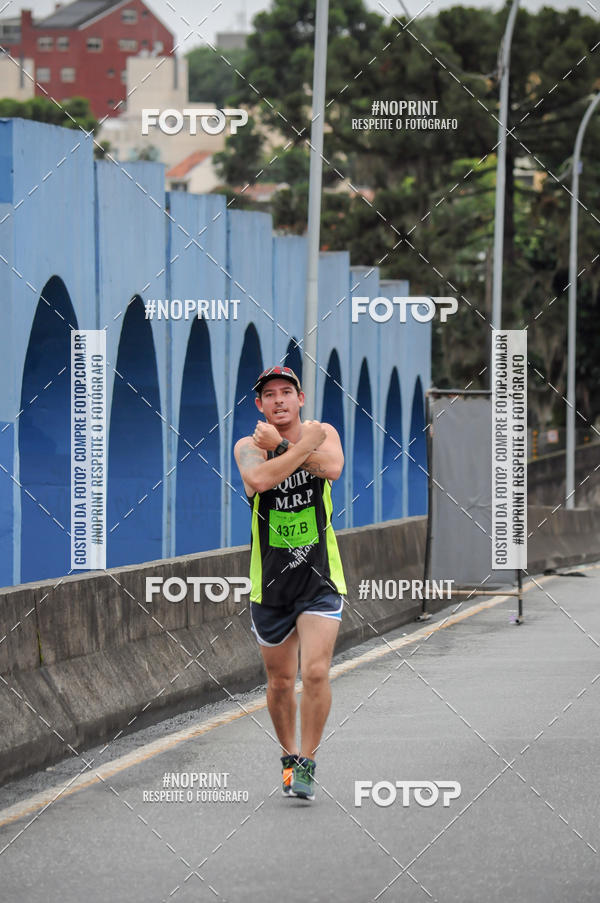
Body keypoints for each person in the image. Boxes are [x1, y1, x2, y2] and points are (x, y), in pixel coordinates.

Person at [234, 365, 347, 801]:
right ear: (259, 405)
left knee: (316, 672)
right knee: (281, 681)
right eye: (270, 394)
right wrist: (296, 447)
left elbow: (333, 468)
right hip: (271, 583)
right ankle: (288, 758)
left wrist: (284, 444)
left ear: (301, 399)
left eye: (287, 392)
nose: (279, 399)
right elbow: (259, 479)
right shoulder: (248, 446)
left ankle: (308, 763)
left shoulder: (324, 431)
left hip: (320, 576)